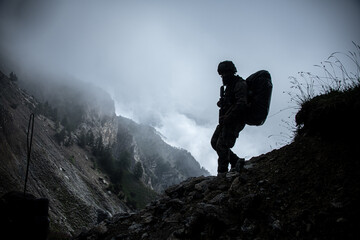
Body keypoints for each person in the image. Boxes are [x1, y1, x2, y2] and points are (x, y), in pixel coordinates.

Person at [211, 61, 247, 174]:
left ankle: (222, 174)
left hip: (234, 121)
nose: (222, 78)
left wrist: (228, 116)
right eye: (221, 75)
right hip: (226, 120)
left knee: (222, 146)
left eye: (224, 75)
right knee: (214, 142)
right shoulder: (230, 86)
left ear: (230, 73)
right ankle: (235, 161)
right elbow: (231, 102)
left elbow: (241, 104)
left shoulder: (240, 84)